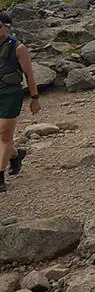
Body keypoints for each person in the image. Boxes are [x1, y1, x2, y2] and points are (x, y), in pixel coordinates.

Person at [0, 11, 36, 193]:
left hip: (10, 94)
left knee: (4, 136)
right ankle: (15, 156)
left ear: (7, 28)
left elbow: (29, 73)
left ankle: (0, 177)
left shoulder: (18, 48)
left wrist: (34, 98)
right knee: (2, 138)